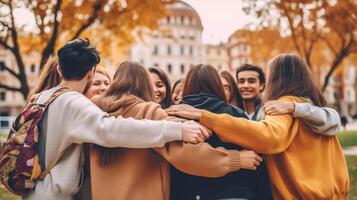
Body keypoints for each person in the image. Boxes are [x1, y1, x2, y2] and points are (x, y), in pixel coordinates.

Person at [23, 39, 210, 200]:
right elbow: (111, 129)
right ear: (90, 72)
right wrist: (176, 129)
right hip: (54, 194)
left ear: (59, 69)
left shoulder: (41, 98)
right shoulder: (74, 103)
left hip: (33, 190)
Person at [167, 54, 349, 199]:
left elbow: (268, 136)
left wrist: (204, 116)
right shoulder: (311, 109)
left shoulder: (283, 107)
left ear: (276, 79)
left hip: (301, 194)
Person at [89, 61, 261, 200]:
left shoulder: (92, 112)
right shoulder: (149, 112)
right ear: (145, 85)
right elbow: (188, 154)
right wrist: (236, 159)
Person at [170, 64, 271, 200]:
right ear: (217, 85)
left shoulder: (174, 115)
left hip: (187, 192)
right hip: (233, 192)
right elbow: (256, 163)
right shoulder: (234, 114)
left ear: (187, 85)